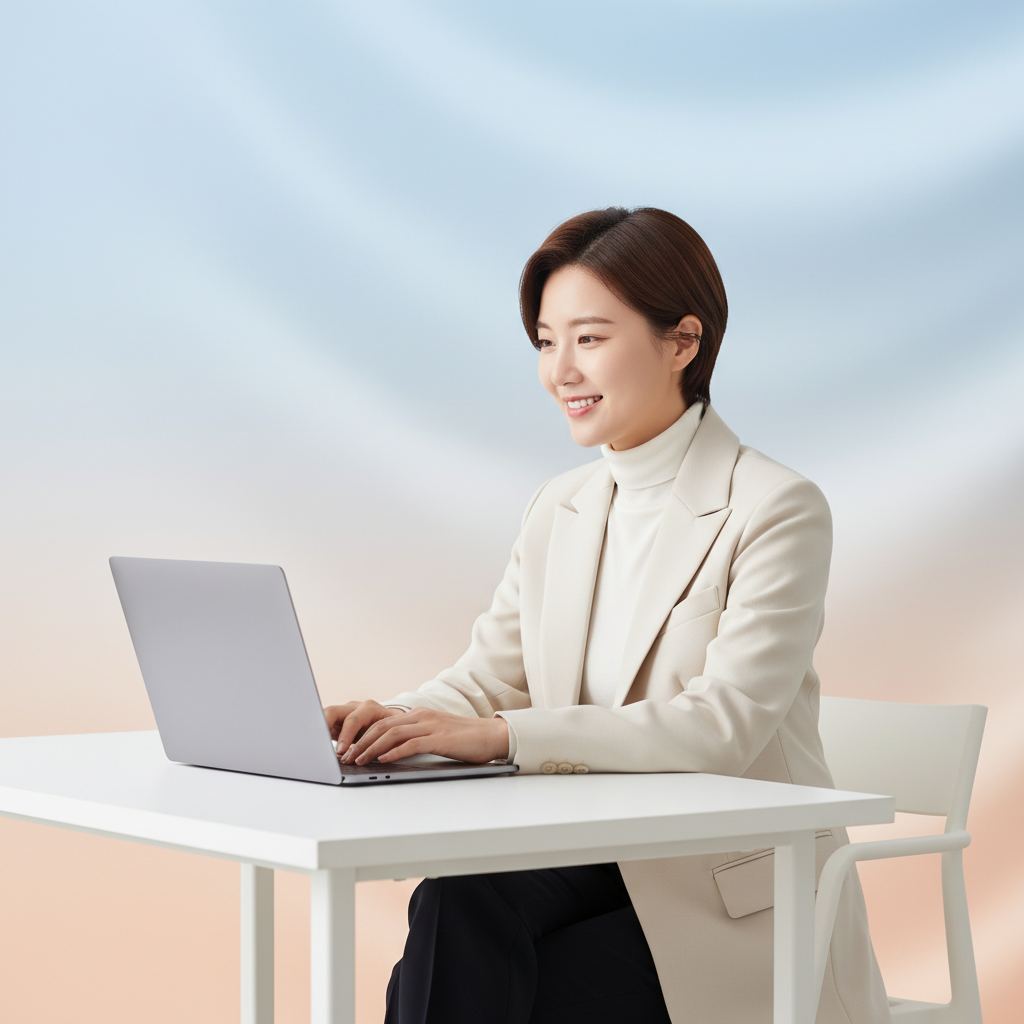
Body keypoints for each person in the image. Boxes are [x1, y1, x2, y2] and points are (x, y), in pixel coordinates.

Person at [324, 208, 889, 1024]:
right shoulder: (561, 505)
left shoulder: (776, 508)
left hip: (729, 898)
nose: (561, 371)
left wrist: (506, 738)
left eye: (589, 338)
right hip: (596, 855)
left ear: (683, 341)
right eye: (546, 341)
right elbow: (492, 676)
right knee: (457, 905)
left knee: (503, 988)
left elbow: (720, 725)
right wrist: (395, 721)